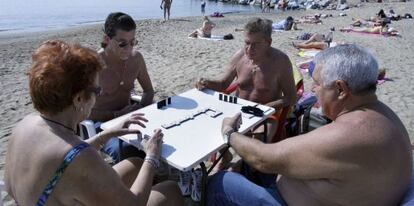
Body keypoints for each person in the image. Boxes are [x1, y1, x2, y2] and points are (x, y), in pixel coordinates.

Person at [207, 44, 412, 206]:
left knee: (220, 183)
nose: (313, 89)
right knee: (249, 169)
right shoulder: (385, 115)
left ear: (341, 89)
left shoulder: (349, 133)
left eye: (317, 83)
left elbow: (262, 159)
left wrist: (230, 133)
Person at [4, 40, 184, 206]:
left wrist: (105, 135)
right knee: (170, 190)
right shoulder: (82, 159)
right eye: (97, 90)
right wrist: (151, 156)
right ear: (79, 98)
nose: (98, 95)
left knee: (136, 164)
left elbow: (61, 161)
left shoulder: (25, 124)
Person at [196, 18, 296, 167]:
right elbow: (223, 84)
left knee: (255, 153)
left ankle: (240, 169)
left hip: (266, 114)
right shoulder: (240, 56)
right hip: (237, 110)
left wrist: (266, 108)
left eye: (255, 44)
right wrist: (206, 82)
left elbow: (291, 98)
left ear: (268, 42)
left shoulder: (280, 62)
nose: (249, 49)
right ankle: (225, 158)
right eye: (247, 43)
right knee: (206, 124)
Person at [90, 12, 155, 163]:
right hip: (102, 125)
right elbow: (82, 112)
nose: (128, 48)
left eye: (132, 42)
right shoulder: (94, 65)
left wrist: (141, 107)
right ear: (107, 39)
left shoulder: (136, 59)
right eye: (122, 43)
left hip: (130, 117)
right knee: (127, 150)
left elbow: (148, 90)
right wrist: (114, 115)